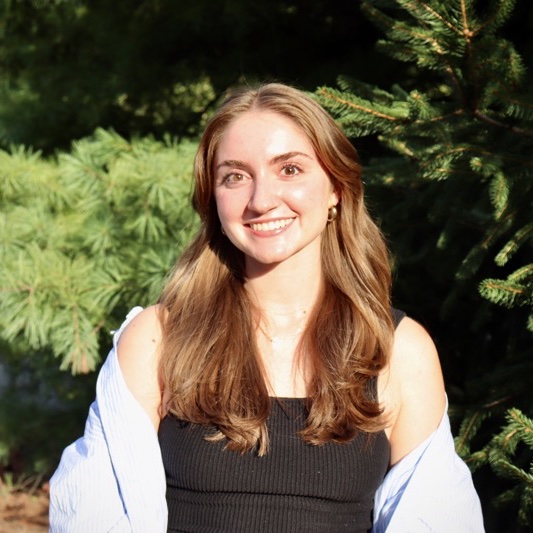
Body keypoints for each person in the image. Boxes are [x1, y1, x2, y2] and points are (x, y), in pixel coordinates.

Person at [49, 83, 484, 532]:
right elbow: (95, 516)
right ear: (212, 198)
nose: (261, 200)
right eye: (235, 176)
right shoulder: (157, 339)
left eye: (290, 169)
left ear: (335, 186)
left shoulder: (396, 351)